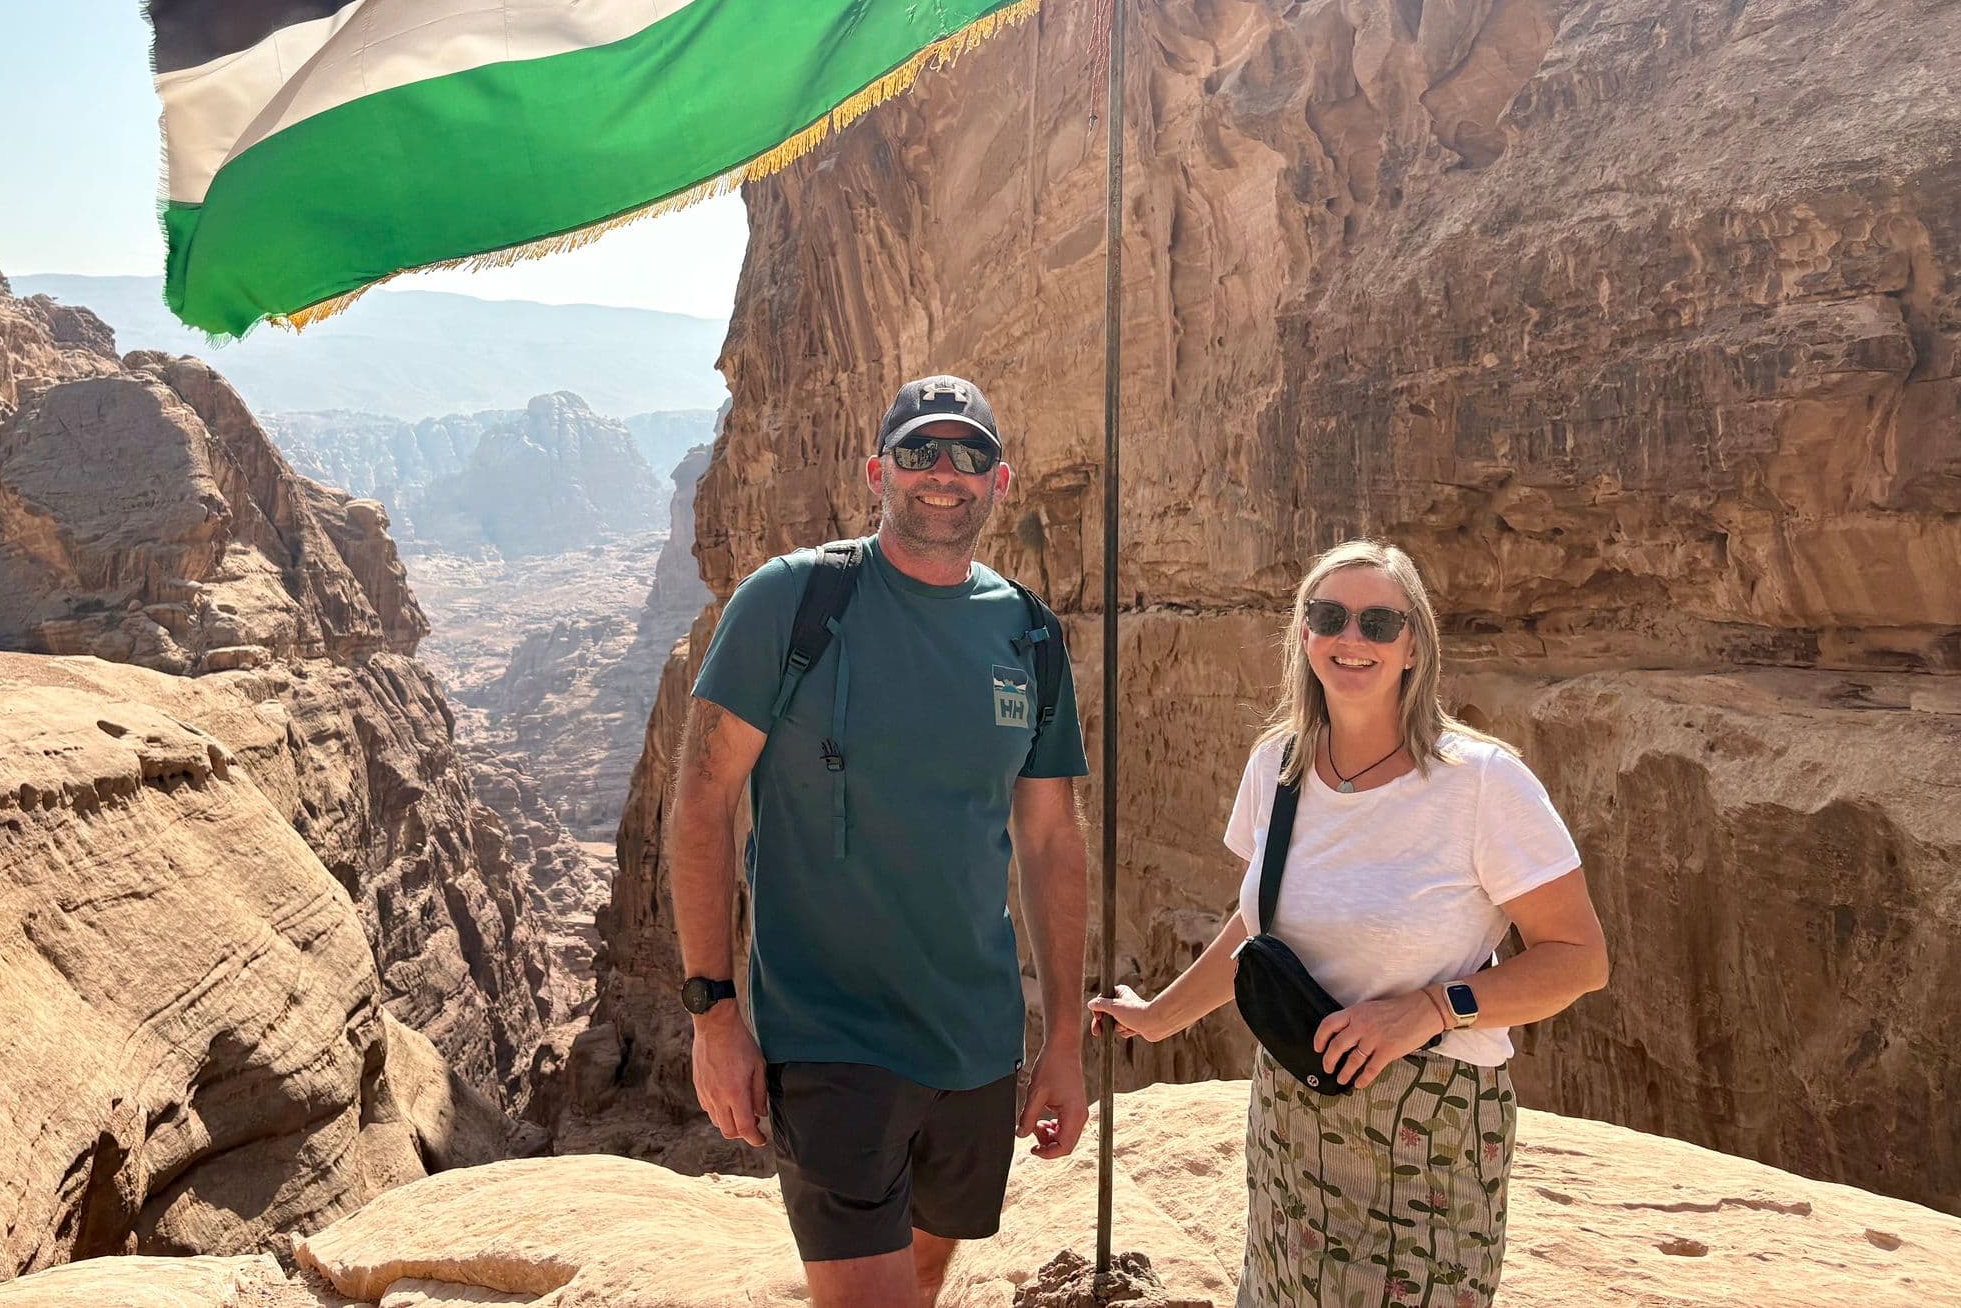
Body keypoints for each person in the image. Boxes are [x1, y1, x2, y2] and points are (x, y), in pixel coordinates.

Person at [1089, 540, 1607, 1308]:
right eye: (1328, 616)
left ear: (1414, 645)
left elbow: (1578, 960)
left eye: (1378, 622)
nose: (1351, 639)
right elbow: (1257, 922)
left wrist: (1432, 1009)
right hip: (1293, 1118)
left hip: (1426, 1138)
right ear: (1303, 634)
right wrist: (1159, 1017)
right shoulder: (1280, 767)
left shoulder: (1482, 784)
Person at [669, 374, 1091, 1308]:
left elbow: (1054, 839)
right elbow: (702, 803)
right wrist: (713, 1014)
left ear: (1000, 481)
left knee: (926, 1274)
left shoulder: (1028, 635)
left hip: (976, 1045)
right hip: (831, 1039)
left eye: (968, 455)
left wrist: (1062, 1040)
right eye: (919, 452)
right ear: (878, 471)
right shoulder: (793, 599)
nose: (944, 473)